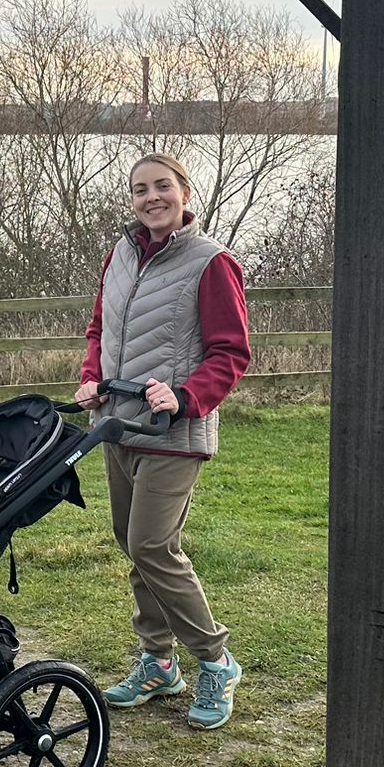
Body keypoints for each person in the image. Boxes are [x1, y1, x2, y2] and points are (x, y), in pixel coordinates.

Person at [74, 152, 251, 730]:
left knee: (151, 544)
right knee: (133, 541)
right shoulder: (121, 255)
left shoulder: (211, 262)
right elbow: (101, 327)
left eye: (162, 187)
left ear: (185, 192)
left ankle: (216, 659)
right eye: (140, 190)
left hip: (174, 430)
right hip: (117, 423)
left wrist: (186, 396)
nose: (151, 197)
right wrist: (89, 376)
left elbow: (231, 353)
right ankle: (158, 661)